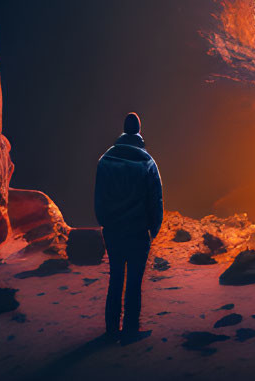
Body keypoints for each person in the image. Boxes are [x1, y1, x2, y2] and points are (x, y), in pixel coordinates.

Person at [94, 111, 164, 340]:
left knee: (115, 279)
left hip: (113, 231)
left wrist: (105, 223)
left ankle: (111, 329)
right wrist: (153, 229)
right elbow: (156, 200)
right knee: (134, 282)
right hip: (137, 232)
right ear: (139, 132)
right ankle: (131, 329)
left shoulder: (105, 160)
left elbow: (99, 197)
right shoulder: (147, 162)